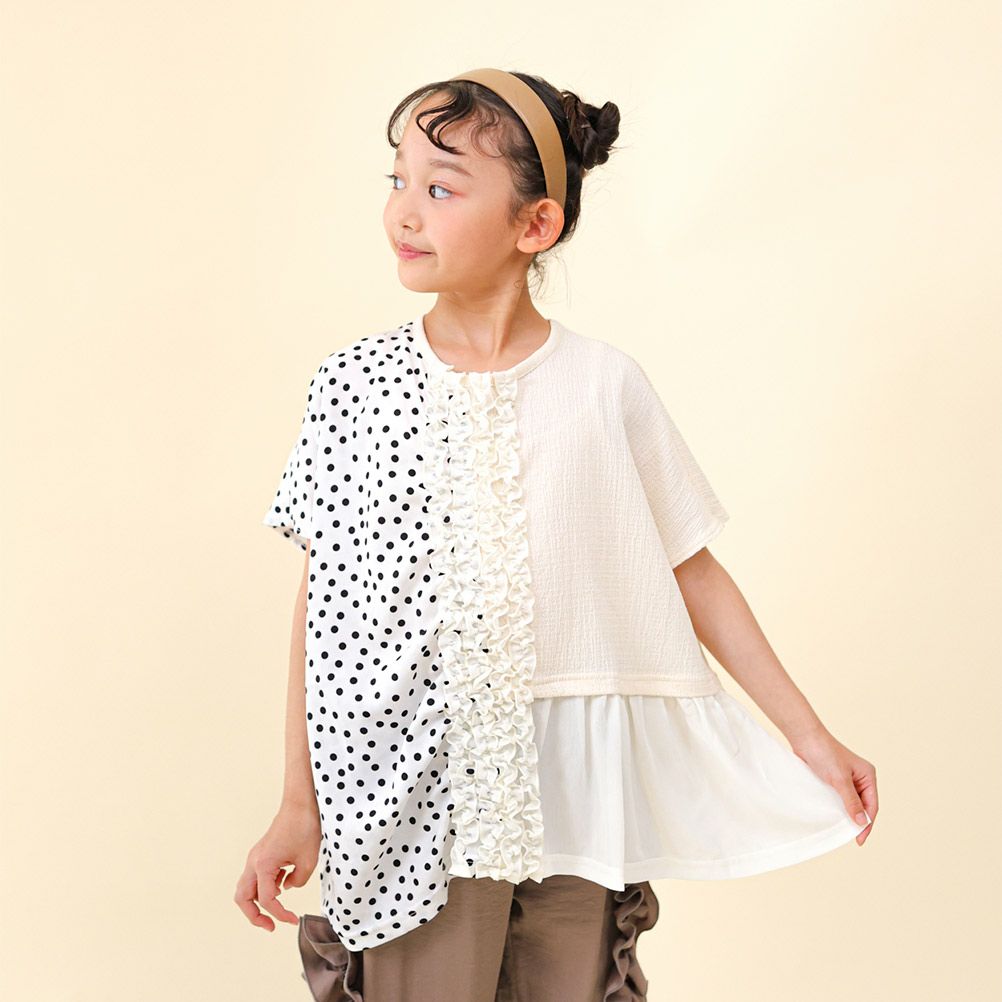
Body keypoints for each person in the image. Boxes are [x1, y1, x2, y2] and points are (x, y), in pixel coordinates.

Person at [234, 68, 879, 1002]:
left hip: (578, 798)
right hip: (414, 793)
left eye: (442, 188)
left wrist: (808, 738)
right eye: (398, 179)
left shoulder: (605, 387)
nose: (404, 210)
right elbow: (325, 608)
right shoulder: (353, 388)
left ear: (535, 225)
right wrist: (300, 803)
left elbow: (690, 570)